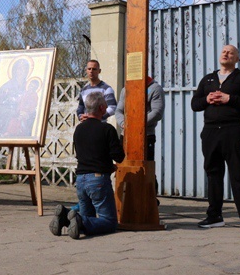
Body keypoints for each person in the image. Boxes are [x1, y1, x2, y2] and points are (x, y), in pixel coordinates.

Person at [191, 45, 240, 232]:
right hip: (211, 131)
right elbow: (195, 104)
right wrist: (207, 99)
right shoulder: (208, 79)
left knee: (238, 173)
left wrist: (230, 99)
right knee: (213, 173)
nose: (226, 53)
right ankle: (214, 216)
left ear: (237, 58)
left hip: (233, 130)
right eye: (223, 51)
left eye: (230, 52)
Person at [50, 91, 125, 239]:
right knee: (109, 222)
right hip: (98, 181)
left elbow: (86, 155)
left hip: (81, 181)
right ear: (102, 108)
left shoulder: (79, 129)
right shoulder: (107, 129)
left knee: (88, 220)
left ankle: (65, 217)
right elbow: (119, 157)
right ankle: (79, 219)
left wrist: (106, 165)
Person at [115, 76, 165, 160]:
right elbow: (118, 111)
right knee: (124, 167)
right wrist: (123, 123)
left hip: (146, 135)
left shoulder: (155, 88)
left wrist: (136, 124)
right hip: (126, 136)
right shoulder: (126, 89)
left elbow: (157, 112)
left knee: (145, 167)